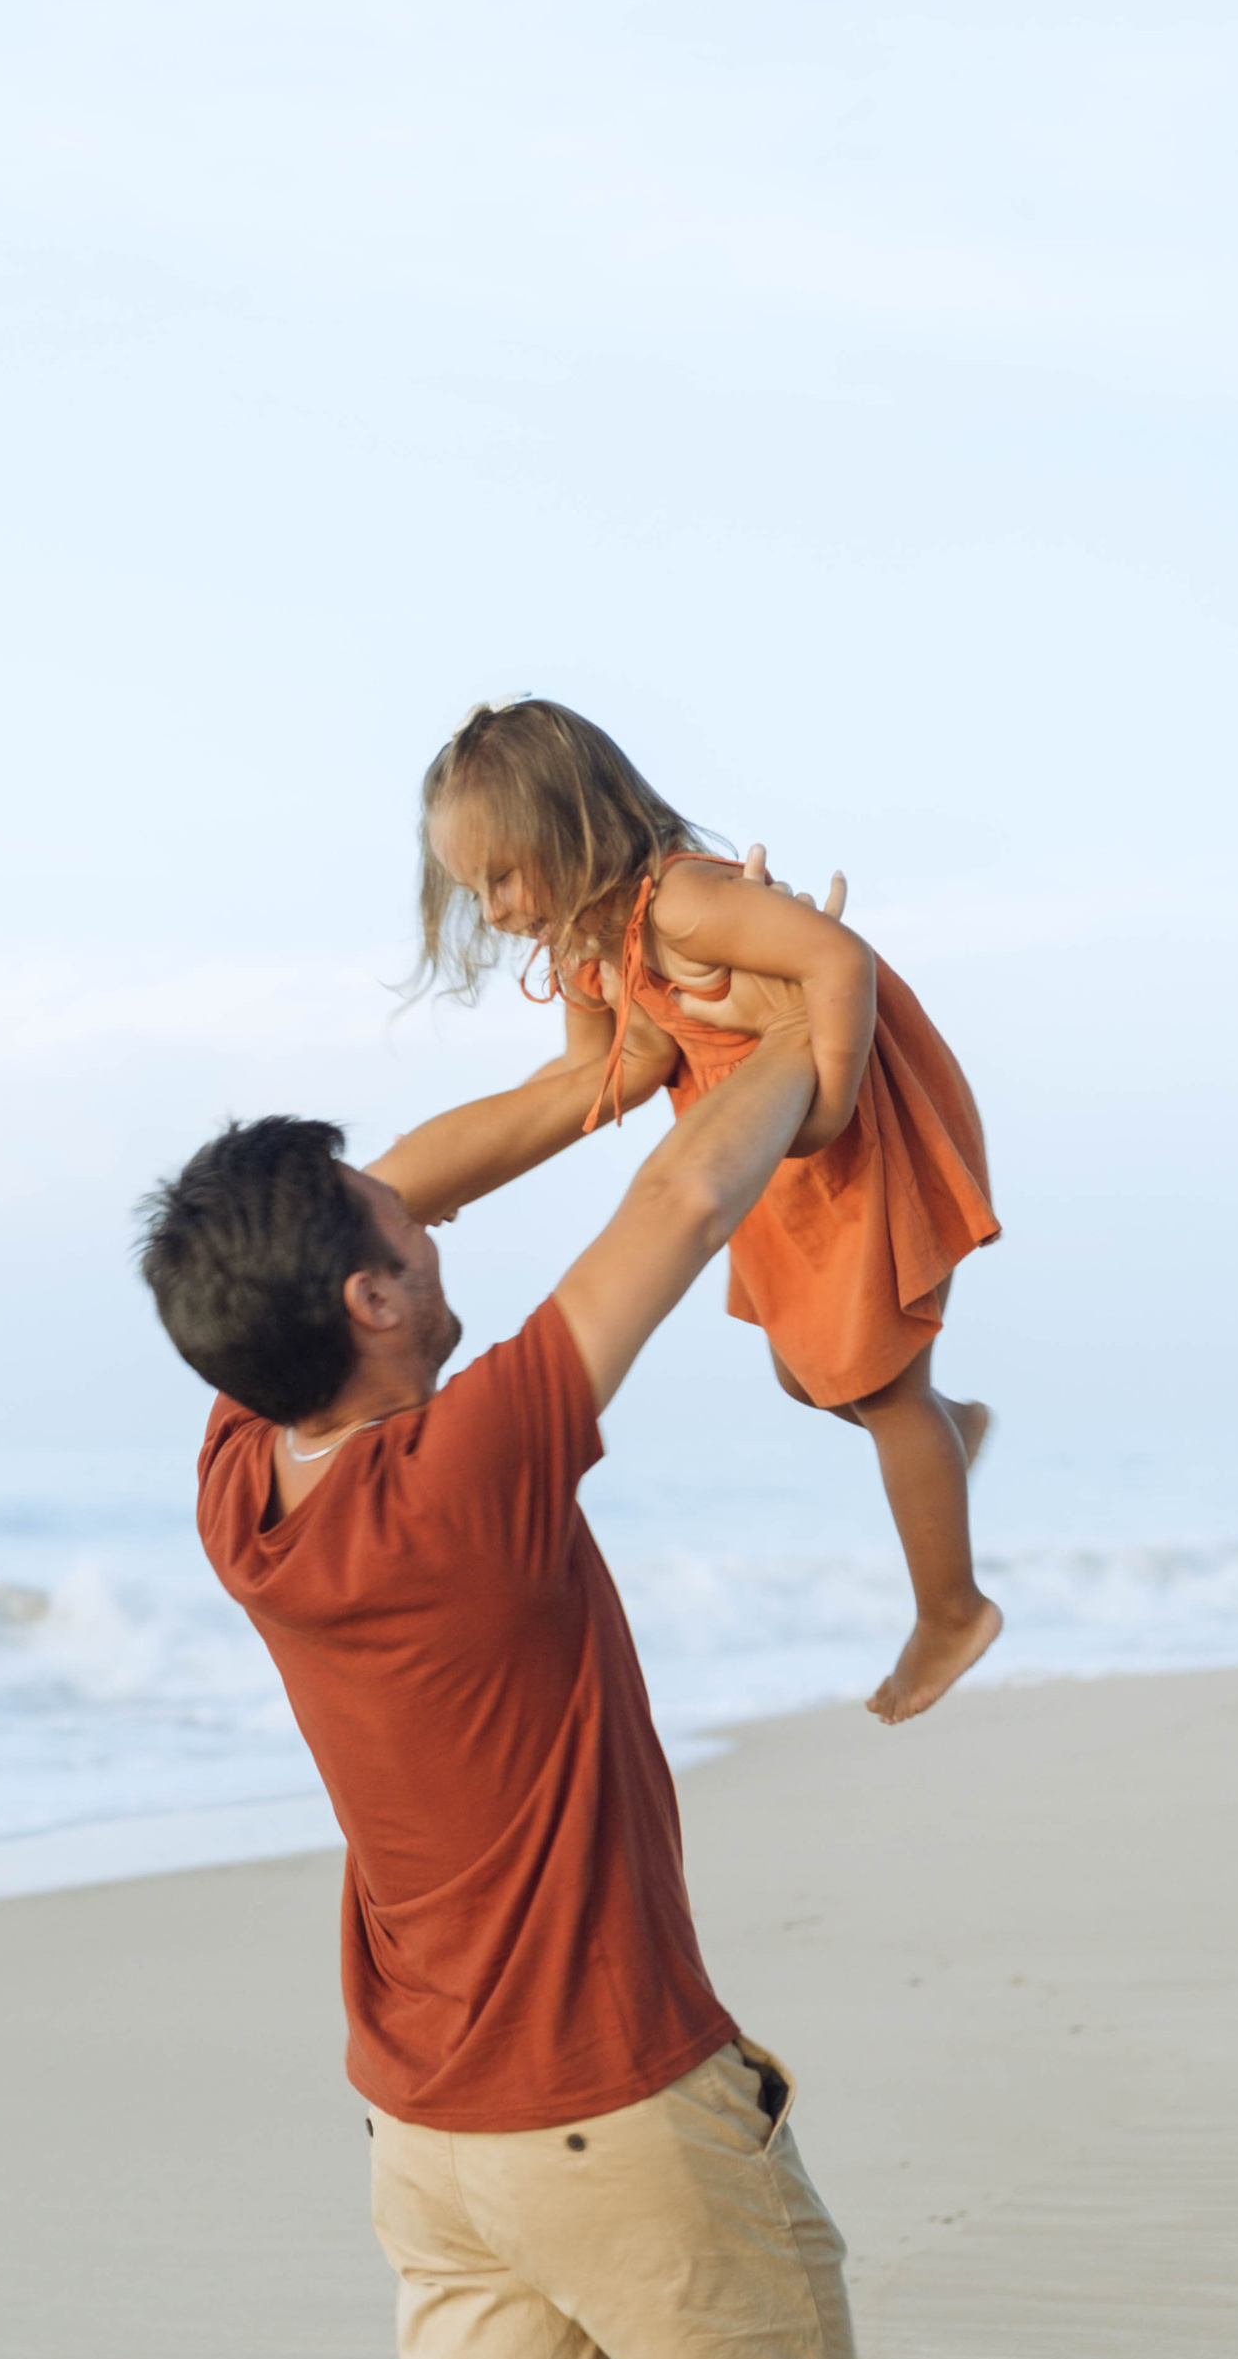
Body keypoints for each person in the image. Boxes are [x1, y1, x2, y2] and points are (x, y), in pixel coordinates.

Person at [138, 964, 904, 2359]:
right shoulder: (469, 1472)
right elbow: (681, 1209)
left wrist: (594, 1068)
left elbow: (414, 1196)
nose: (435, 1241)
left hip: (425, 2135)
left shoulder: (245, 1479)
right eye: (406, 1248)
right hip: (609, 2108)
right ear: (372, 1310)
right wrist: (784, 1037)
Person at [416, 695, 1003, 1724]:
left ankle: (949, 1611)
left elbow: (840, 959)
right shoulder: (595, 948)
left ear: (575, 828)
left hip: (846, 1138)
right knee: (806, 1374)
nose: (497, 908)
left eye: (504, 875)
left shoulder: (683, 903)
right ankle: (950, 1429)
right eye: (475, 889)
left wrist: (827, 1094)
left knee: (881, 1384)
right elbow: (604, 1075)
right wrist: (448, 1181)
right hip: (768, 1159)